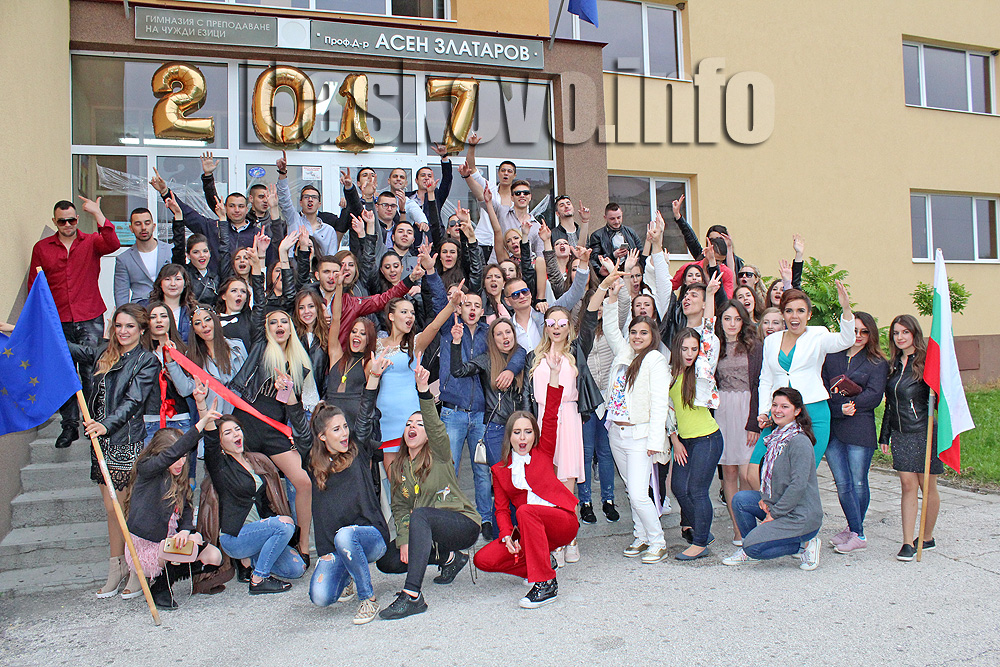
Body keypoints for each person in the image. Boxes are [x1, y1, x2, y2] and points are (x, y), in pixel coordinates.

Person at [227, 255, 317, 561]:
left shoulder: (301, 364)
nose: (279, 325)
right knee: (245, 488)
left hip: (275, 431)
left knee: (303, 482)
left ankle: (302, 545)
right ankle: (244, 557)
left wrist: (289, 395)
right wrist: (258, 270)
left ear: (291, 328)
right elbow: (258, 311)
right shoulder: (260, 347)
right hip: (246, 425)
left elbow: (297, 417)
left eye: (284, 322)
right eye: (273, 322)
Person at [473, 352, 580, 609]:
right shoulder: (500, 469)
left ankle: (546, 583)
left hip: (560, 521)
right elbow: (501, 509)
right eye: (517, 432)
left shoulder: (543, 451)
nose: (523, 438)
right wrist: (506, 536)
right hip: (529, 531)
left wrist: (554, 375)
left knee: (524, 510)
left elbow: (551, 414)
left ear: (534, 435)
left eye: (528, 432)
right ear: (509, 437)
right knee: (483, 559)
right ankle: (542, 563)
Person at [68, 304, 159, 598]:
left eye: (130, 326)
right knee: (111, 509)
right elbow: (64, 347)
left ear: (142, 330)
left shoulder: (147, 361)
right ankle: (116, 566)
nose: (123, 331)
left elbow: (133, 401)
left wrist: (105, 425)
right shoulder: (103, 352)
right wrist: (21, 330)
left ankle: (136, 567)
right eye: (118, 325)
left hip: (125, 440)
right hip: (100, 441)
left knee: (124, 508)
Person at [380, 364, 482, 620]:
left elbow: (436, 427)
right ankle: (449, 559)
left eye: (419, 424)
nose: (412, 427)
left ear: (427, 436)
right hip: (428, 528)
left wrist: (423, 391)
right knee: (387, 560)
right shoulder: (399, 467)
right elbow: (400, 507)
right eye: (408, 424)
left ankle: (412, 595)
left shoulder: (440, 453)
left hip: (462, 524)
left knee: (421, 515)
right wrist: (404, 539)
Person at [306, 354, 392, 625]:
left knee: (345, 536)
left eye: (345, 426)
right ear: (322, 436)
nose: (344, 433)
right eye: (336, 429)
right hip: (337, 545)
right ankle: (349, 575)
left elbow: (365, 413)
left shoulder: (357, 449)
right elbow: (299, 430)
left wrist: (374, 377)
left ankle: (368, 599)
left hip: (371, 537)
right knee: (320, 597)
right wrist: (290, 401)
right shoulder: (314, 464)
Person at [30, 196, 121, 448]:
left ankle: (92, 422)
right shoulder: (42, 248)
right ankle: (69, 426)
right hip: (57, 319)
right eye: (62, 221)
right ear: (54, 221)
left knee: (92, 371)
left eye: (71, 220)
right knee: (63, 372)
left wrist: (98, 213)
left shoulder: (91, 241)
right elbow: (34, 286)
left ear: (77, 219)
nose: (68, 224)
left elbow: (113, 243)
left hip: (89, 315)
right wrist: (38, 320)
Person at [120, 394, 223, 609]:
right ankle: (160, 585)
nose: (181, 462)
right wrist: (201, 423)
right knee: (174, 550)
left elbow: (186, 508)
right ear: (160, 455)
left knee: (213, 556)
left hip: (170, 542)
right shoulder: (148, 468)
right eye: (176, 457)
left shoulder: (179, 476)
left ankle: (163, 583)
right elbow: (172, 453)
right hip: (147, 546)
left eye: (184, 457)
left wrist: (186, 532)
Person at [601, 276, 671, 564]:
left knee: (640, 494)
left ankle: (658, 541)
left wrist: (656, 440)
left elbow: (660, 403)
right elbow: (609, 328)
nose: (637, 337)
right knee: (632, 490)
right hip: (616, 433)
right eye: (633, 332)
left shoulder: (655, 361)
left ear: (652, 336)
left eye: (643, 333)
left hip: (641, 436)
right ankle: (641, 536)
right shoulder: (625, 354)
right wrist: (612, 298)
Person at [753, 283, 854, 469]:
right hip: (780, 412)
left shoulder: (819, 335)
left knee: (802, 472)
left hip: (812, 410)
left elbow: (846, 340)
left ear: (809, 314)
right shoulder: (771, 340)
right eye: (789, 311)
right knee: (755, 467)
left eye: (800, 311)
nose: (794, 316)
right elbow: (766, 379)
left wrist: (846, 309)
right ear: (783, 315)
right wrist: (764, 411)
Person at [203, 411, 306, 595]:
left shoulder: (254, 460)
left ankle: (251, 560)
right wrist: (202, 407)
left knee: (297, 569)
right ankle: (259, 579)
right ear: (220, 442)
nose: (236, 434)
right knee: (284, 526)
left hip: (260, 534)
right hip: (236, 536)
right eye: (228, 433)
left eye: (237, 429)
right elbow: (210, 440)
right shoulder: (220, 466)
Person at [722, 388, 823, 570]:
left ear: (797, 411)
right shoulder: (776, 437)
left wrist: (774, 514)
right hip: (781, 506)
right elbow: (773, 480)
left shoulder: (799, 441)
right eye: (775, 405)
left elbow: (797, 486)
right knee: (741, 499)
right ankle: (752, 547)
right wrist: (766, 499)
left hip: (800, 516)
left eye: (785, 406)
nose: (777, 410)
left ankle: (805, 545)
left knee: (753, 546)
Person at [449, 317, 528, 540]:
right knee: (502, 482)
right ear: (492, 339)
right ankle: (502, 530)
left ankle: (520, 527)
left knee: (520, 480)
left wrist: (510, 371)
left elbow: (520, 356)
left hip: (520, 429)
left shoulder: (521, 355)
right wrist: (456, 343)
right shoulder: (486, 359)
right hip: (495, 428)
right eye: (499, 334)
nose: (505, 337)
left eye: (508, 332)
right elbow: (458, 371)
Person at [822, 311, 889, 554]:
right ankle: (853, 528)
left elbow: (874, 395)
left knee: (858, 481)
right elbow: (823, 389)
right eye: (855, 330)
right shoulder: (831, 357)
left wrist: (852, 405)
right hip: (834, 427)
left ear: (871, 334)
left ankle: (857, 533)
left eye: (864, 331)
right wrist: (839, 409)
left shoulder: (877, 362)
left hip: (860, 428)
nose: (859, 335)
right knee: (842, 483)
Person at [667, 277, 723, 561]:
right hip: (685, 441)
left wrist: (710, 295)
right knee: (679, 487)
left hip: (707, 439)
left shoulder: (702, 368)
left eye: (694, 349)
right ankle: (702, 528)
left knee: (697, 490)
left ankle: (700, 542)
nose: (690, 354)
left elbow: (709, 331)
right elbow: (669, 411)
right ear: (677, 348)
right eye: (685, 349)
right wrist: (674, 439)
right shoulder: (670, 373)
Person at [375, 287, 463, 466]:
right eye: (404, 312)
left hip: (409, 412)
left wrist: (452, 305)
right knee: (391, 473)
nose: (410, 316)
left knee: (414, 467)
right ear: (391, 316)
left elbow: (435, 326)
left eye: (413, 313)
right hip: (384, 413)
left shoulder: (415, 343)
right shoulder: (376, 344)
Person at [879, 315, 940, 562]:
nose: (900, 337)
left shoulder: (927, 363)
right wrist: (884, 434)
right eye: (896, 333)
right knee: (907, 484)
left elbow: (942, 399)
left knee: (927, 486)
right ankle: (906, 542)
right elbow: (890, 404)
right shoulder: (893, 365)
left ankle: (926, 537)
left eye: (905, 332)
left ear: (915, 333)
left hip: (924, 431)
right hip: (901, 433)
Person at [714, 300, 762, 546]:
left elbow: (759, 384)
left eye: (737, 319)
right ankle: (737, 527)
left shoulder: (754, 346)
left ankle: (754, 521)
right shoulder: (714, 346)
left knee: (747, 471)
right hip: (723, 410)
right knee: (729, 471)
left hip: (746, 408)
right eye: (727, 318)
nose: (732, 324)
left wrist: (754, 422)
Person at [114, 207, 171, 306]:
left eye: (147, 223)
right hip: (140, 308)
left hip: (169, 304)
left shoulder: (170, 250)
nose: (143, 227)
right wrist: (123, 313)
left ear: (153, 226)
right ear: (131, 228)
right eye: (138, 224)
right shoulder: (123, 259)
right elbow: (121, 293)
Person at [147, 264, 199, 344]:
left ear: (185, 283)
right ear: (160, 283)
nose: (173, 284)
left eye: (177, 279)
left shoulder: (193, 310)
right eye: (167, 279)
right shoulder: (147, 308)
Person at [587, 203, 643, 277]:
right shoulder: (597, 235)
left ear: (622, 214)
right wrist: (613, 255)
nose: (616, 221)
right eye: (612, 219)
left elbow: (641, 253)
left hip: (631, 273)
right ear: (605, 218)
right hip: (609, 275)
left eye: (619, 217)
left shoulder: (631, 232)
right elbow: (594, 258)